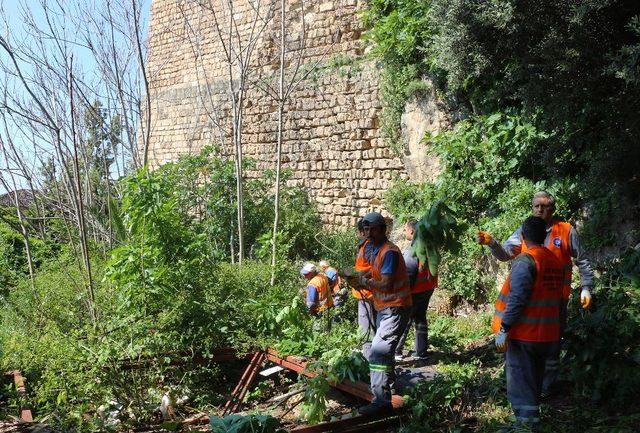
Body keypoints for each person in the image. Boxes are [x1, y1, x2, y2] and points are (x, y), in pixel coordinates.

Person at [477, 190, 594, 396]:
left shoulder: (566, 231)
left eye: (545, 206)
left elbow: (582, 260)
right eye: (536, 206)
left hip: (555, 302)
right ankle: (524, 387)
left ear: (553, 209)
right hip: (527, 304)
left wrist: (586, 287)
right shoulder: (526, 229)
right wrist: (492, 243)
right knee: (524, 343)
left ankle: (544, 388)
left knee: (552, 344)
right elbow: (506, 254)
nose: (540, 209)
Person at [492, 216, 565, 432]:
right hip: (548, 334)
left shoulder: (525, 261)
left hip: (525, 335)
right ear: (545, 236)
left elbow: (517, 300)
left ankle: (526, 426)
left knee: (521, 385)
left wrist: (504, 330)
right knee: (534, 382)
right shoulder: (554, 261)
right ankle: (531, 421)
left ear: (522, 236)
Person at [355, 212, 412, 415]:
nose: (368, 233)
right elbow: (374, 271)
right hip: (386, 309)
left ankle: (381, 401)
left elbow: (386, 284)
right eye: (366, 229)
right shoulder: (378, 250)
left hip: (394, 308)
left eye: (372, 229)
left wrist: (364, 282)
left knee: (378, 353)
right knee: (382, 352)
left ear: (382, 230)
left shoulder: (389, 252)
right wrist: (357, 275)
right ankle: (387, 390)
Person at [396, 220, 438, 360]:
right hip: (428, 288)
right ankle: (421, 351)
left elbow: (408, 273)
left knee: (405, 319)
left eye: (405, 230)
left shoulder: (412, 251)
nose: (404, 232)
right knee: (420, 318)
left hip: (415, 291)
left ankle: (396, 351)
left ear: (412, 231)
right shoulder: (430, 246)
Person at [353, 219, 376, 340]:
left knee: (366, 324)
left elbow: (376, 267)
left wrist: (358, 276)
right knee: (368, 323)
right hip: (364, 290)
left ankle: (368, 353)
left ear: (362, 232)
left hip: (367, 292)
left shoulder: (369, 246)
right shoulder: (367, 245)